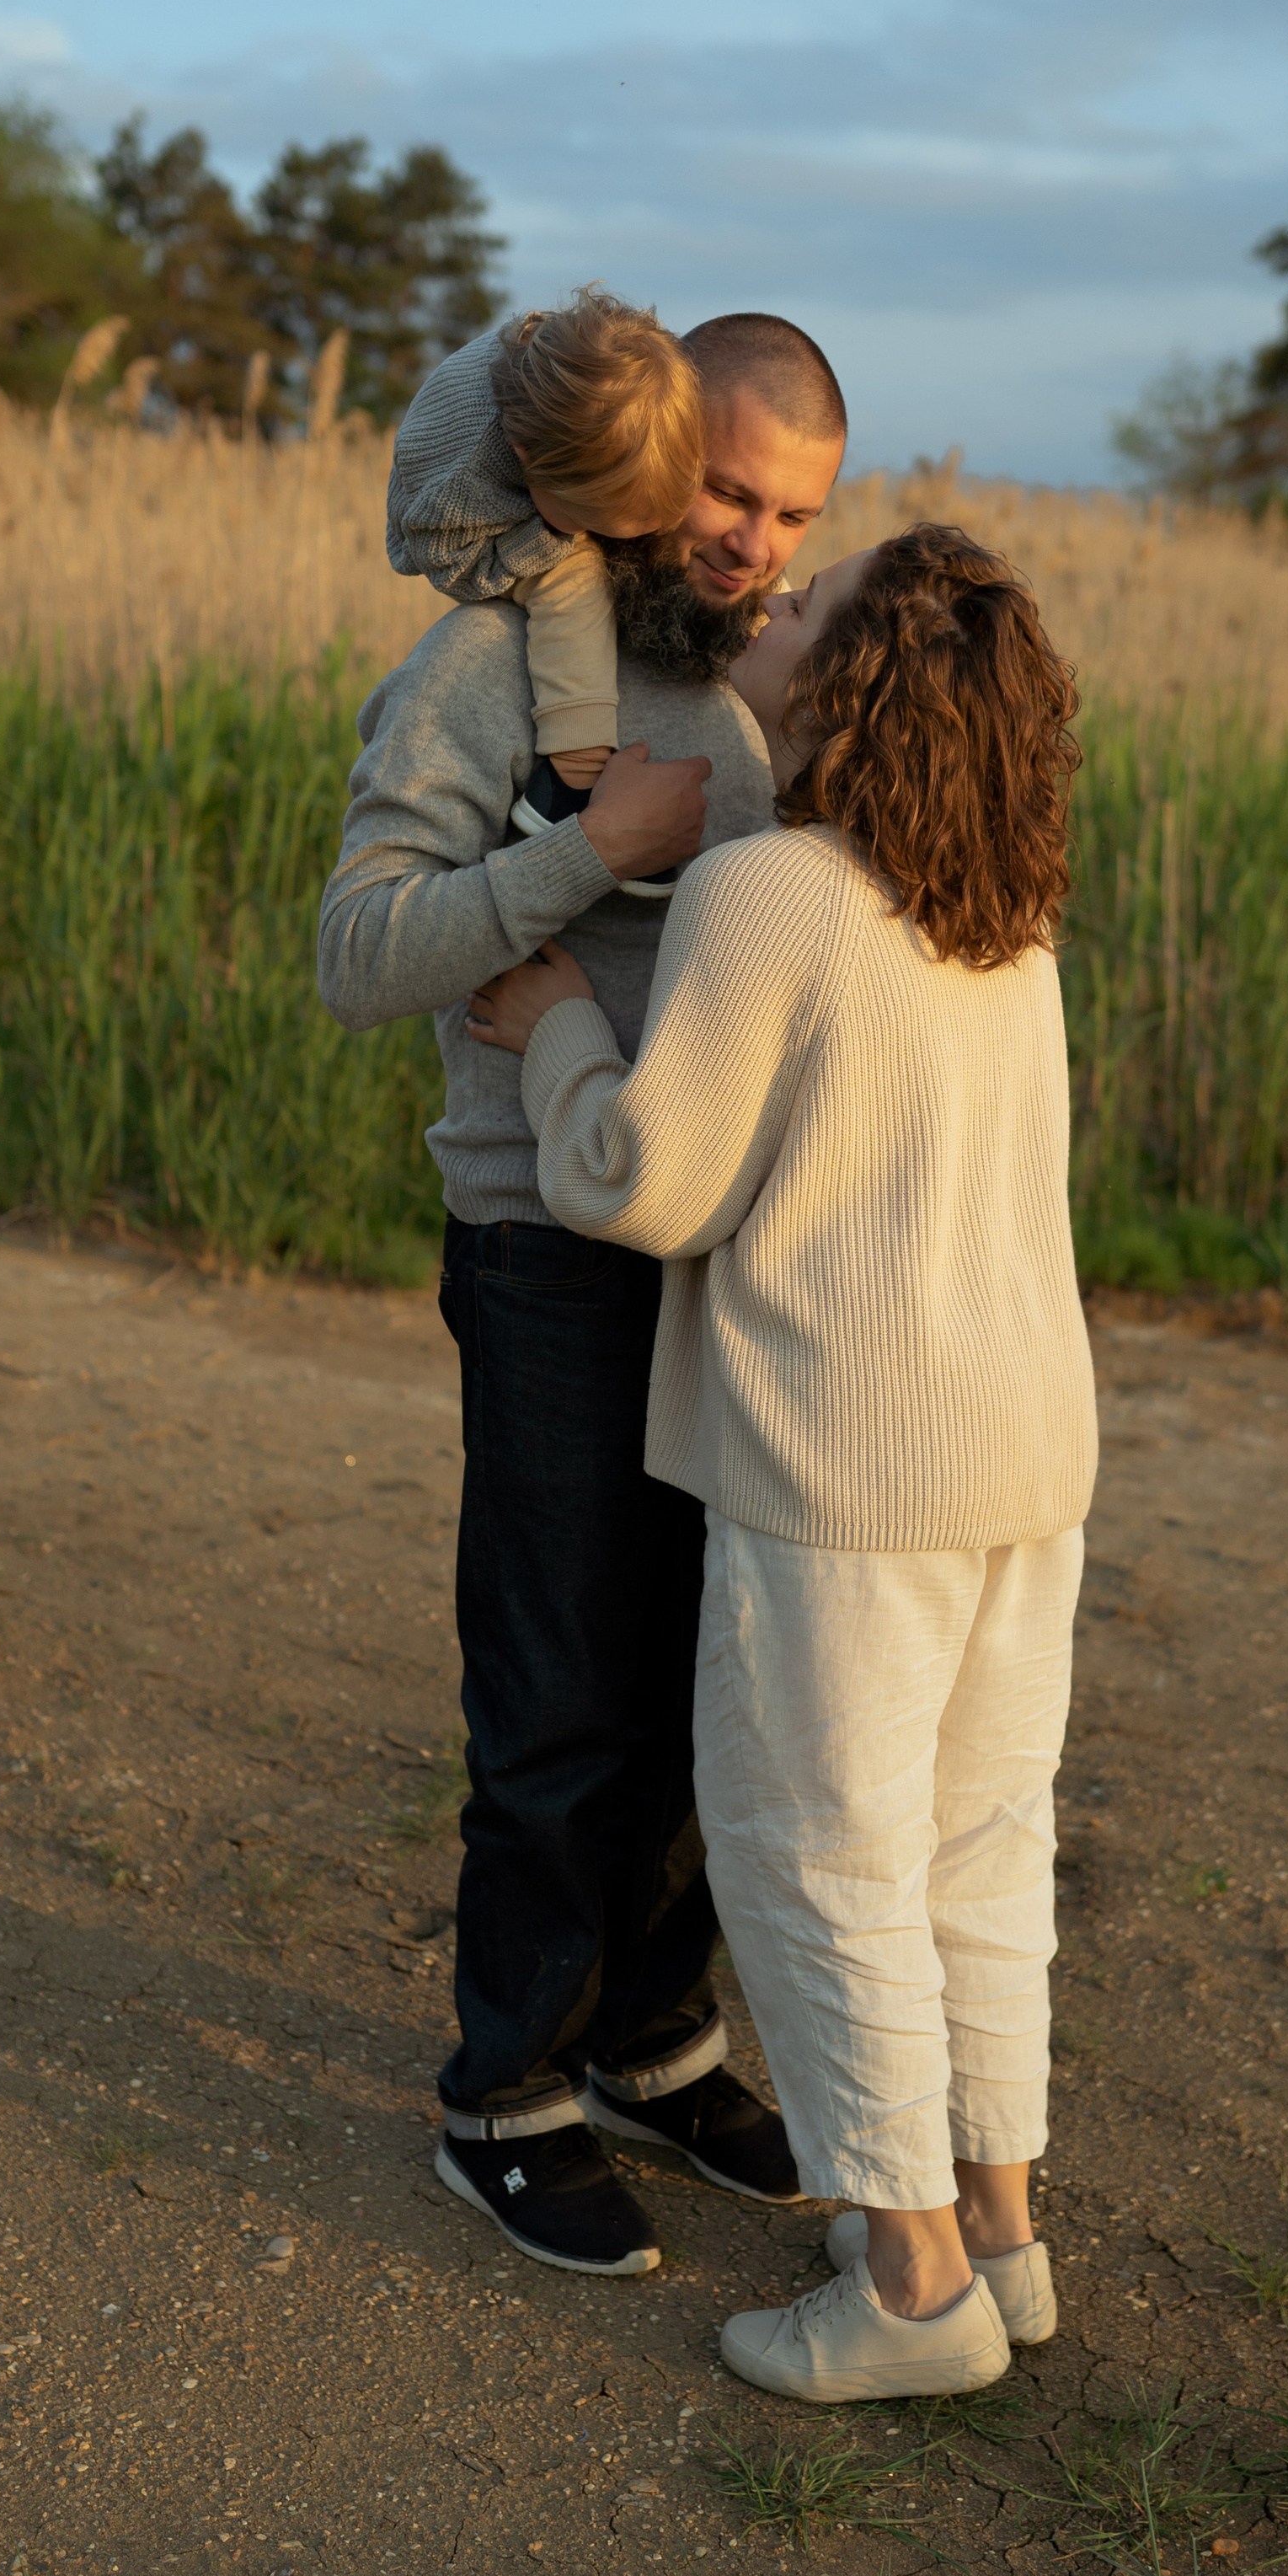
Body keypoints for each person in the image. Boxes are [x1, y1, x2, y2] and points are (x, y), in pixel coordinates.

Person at [465, 524, 1098, 2399]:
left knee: (816, 1850)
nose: (771, 603)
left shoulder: (770, 891)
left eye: (810, 606)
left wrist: (556, 1023)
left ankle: (901, 2289)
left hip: (851, 1465)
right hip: (1023, 1453)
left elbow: (642, 1185)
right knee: (980, 1847)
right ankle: (997, 2226)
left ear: (849, 684)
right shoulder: (1003, 916)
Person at [318, 313, 848, 2277]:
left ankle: (648, 2031)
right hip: (545, 1246)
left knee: (707, 1666)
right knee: (556, 1679)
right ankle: (505, 2090)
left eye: (792, 508)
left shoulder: (778, 680)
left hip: (731, 1242)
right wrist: (584, 859)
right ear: (638, 464)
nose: (747, 538)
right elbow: (361, 951)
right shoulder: (484, 667)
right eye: (723, 490)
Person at [387, 287, 704, 847]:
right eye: (605, 523)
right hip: (455, 536)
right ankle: (571, 780)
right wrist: (550, 539)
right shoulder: (462, 492)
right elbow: (446, 567)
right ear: (531, 466)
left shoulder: (593, 361)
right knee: (576, 587)